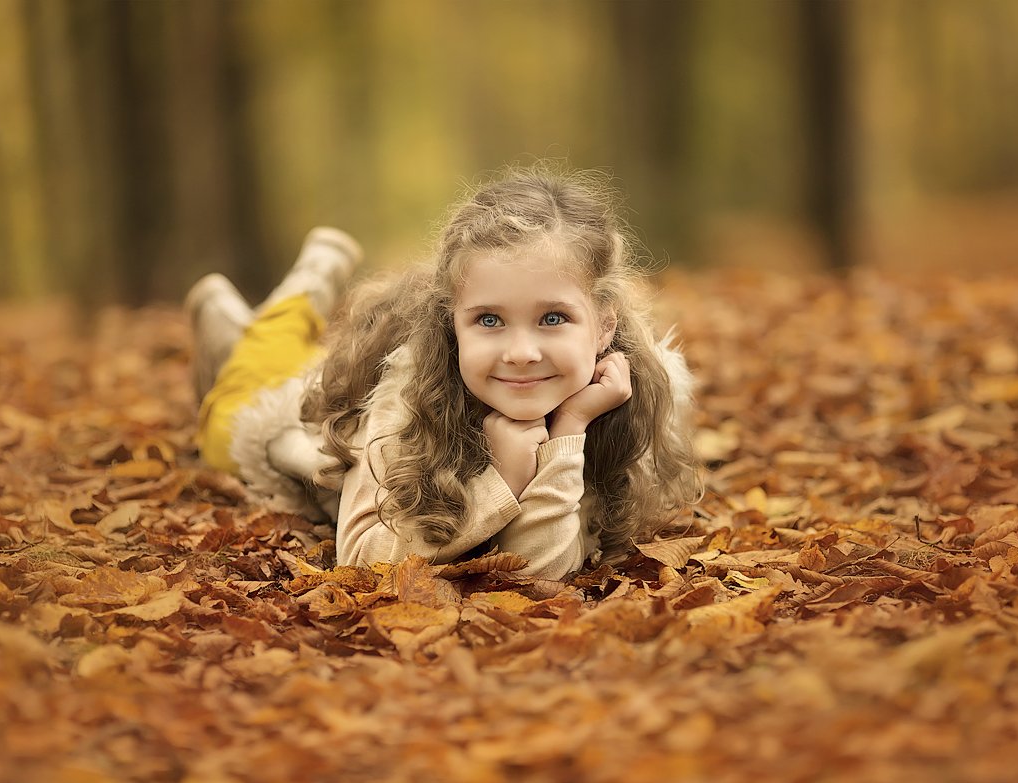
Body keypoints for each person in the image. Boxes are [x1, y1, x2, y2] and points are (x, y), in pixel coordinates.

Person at [186, 166, 700, 580]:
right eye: (490, 320)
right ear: (452, 325)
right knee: (235, 410)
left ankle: (233, 323)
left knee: (254, 358)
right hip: (291, 414)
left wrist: (567, 434)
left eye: (553, 319)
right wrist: (502, 480)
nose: (522, 352)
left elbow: (543, 572)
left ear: (604, 324)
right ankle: (301, 286)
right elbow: (363, 557)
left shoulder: (620, 401)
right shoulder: (407, 394)